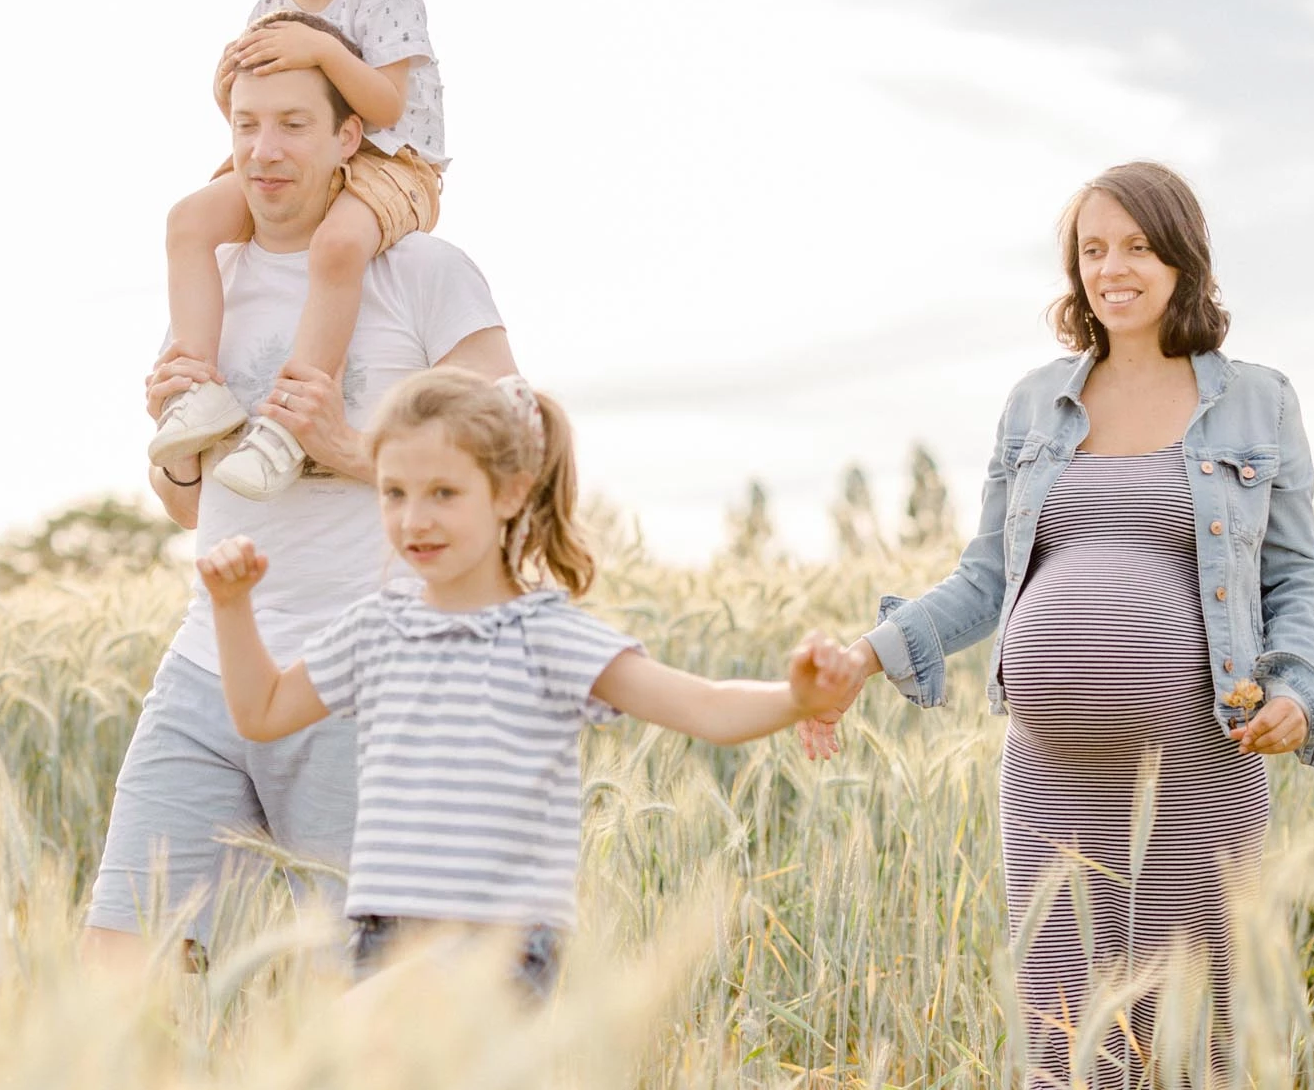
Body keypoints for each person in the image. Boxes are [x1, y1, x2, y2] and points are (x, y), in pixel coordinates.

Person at [831, 162, 1314, 1090]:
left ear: (1182, 259)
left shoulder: (1256, 401)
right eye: (1094, 250)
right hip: (1051, 776)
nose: (1114, 270)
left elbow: (1294, 579)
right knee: (1065, 1031)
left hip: (1203, 765)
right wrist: (872, 653)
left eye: (1137, 249)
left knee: (1184, 1028)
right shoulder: (1035, 404)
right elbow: (983, 578)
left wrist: (1299, 691)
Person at [196, 369, 863, 994]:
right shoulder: (373, 632)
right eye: (393, 493)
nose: (413, 520)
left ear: (510, 492)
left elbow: (706, 707)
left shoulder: (544, 636)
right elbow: (264, 711)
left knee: (338, 1058)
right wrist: (231, 607)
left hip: (499, 949)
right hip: (383, 938)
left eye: (444, 493)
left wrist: (798, 698)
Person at [81, 39, 512, 966]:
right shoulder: (214, 280)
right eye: (246, 126)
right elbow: (184, 508)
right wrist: (179, 442)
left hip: (365, 679)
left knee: (367, 989)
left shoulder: (424, 272)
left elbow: (521, 449)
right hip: (210, 668)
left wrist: (353, 451)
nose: (264, 150)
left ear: (349, 137)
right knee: (119, 966)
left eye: (291, 126)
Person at [149, 0, 448, 502]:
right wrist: (226, 86)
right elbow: (256, 116)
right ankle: (198, 388)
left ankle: (291, 421)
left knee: (339, 245)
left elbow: (384, 106)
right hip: (305, 158)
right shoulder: (269, 4)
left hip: (394, 162)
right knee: (189, 220)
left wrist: (323, 52)